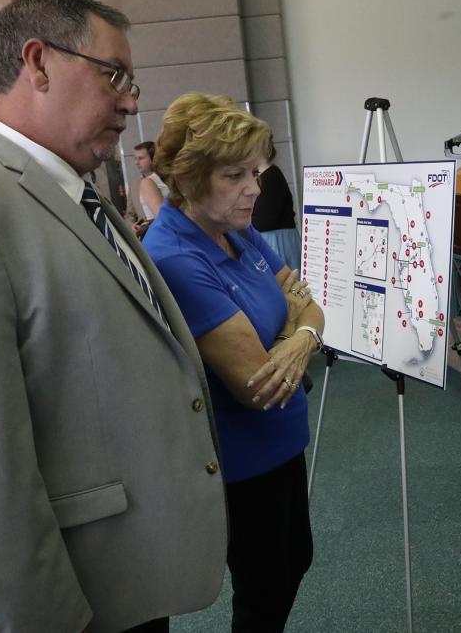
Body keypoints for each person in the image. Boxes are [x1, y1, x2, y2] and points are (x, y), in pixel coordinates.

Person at [0, 0, 227, 633]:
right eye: (114, 74)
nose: (132, 100)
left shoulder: (74, 193)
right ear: (37, 63)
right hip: (68, 604)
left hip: (123, 579)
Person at [143, 92, 324, 632]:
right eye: (235, 175)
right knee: (264, 586)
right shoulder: (175, 254)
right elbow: (259, 385)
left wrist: (300, 337)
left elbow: (308, 303)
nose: (255, 189)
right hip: (241, 459)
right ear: (189, 178)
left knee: (294, 561)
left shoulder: (235, 230)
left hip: (283, 442)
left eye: (256, 171)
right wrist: (300, 330)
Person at [250, 151, 300, 269]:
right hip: (274, 241)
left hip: (278, 242)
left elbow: (265, 221)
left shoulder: (271, 176)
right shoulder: (265, 175)